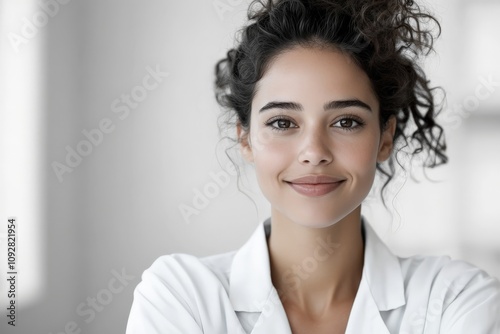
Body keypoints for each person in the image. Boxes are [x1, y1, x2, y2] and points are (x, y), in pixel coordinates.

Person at [126, 0, 500, 333]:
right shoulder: (181, 297)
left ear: (385, 137)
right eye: (283, 123)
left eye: (346, 122)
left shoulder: (454, 299)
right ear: (245, 139)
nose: (314, 152)